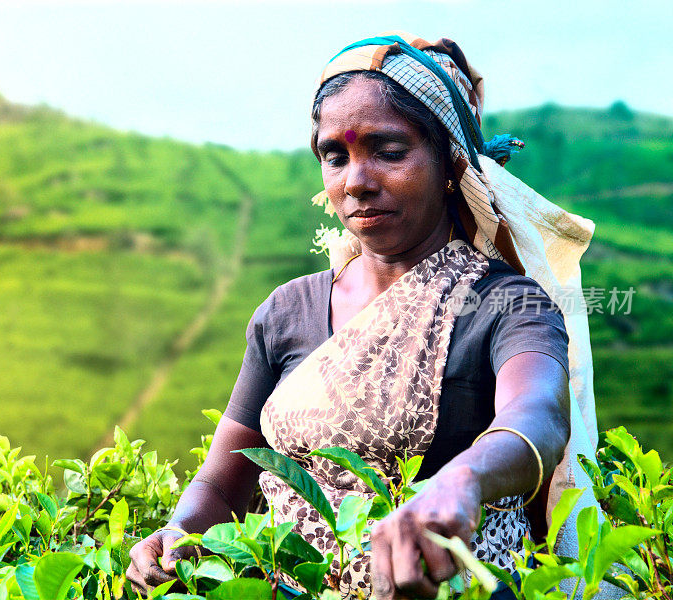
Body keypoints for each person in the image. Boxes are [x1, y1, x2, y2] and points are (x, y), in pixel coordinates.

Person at [127, 33, 603, 600]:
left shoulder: (507, 304)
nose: (356, 180)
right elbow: (223, 481)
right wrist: (177, 532)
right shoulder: (287, 312)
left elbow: (540, 417)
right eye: (336, 155)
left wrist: (463, 480)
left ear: (450, 162)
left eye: (389, 150)